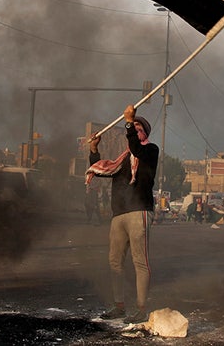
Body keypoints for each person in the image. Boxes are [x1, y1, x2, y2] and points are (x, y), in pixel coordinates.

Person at [87, 105, 159, 324]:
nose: (135, 130)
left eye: (138, 127)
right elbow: (101, 170)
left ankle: (141, 308)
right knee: (115, 261)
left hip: (139, 211)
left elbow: (136, 148)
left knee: (140, 261)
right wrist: (93, 149)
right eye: (133, 127)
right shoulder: (122, 161)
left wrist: (128, 122)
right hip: (119, 213)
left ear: (145, 133)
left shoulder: (149, 151)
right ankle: (119, 306)